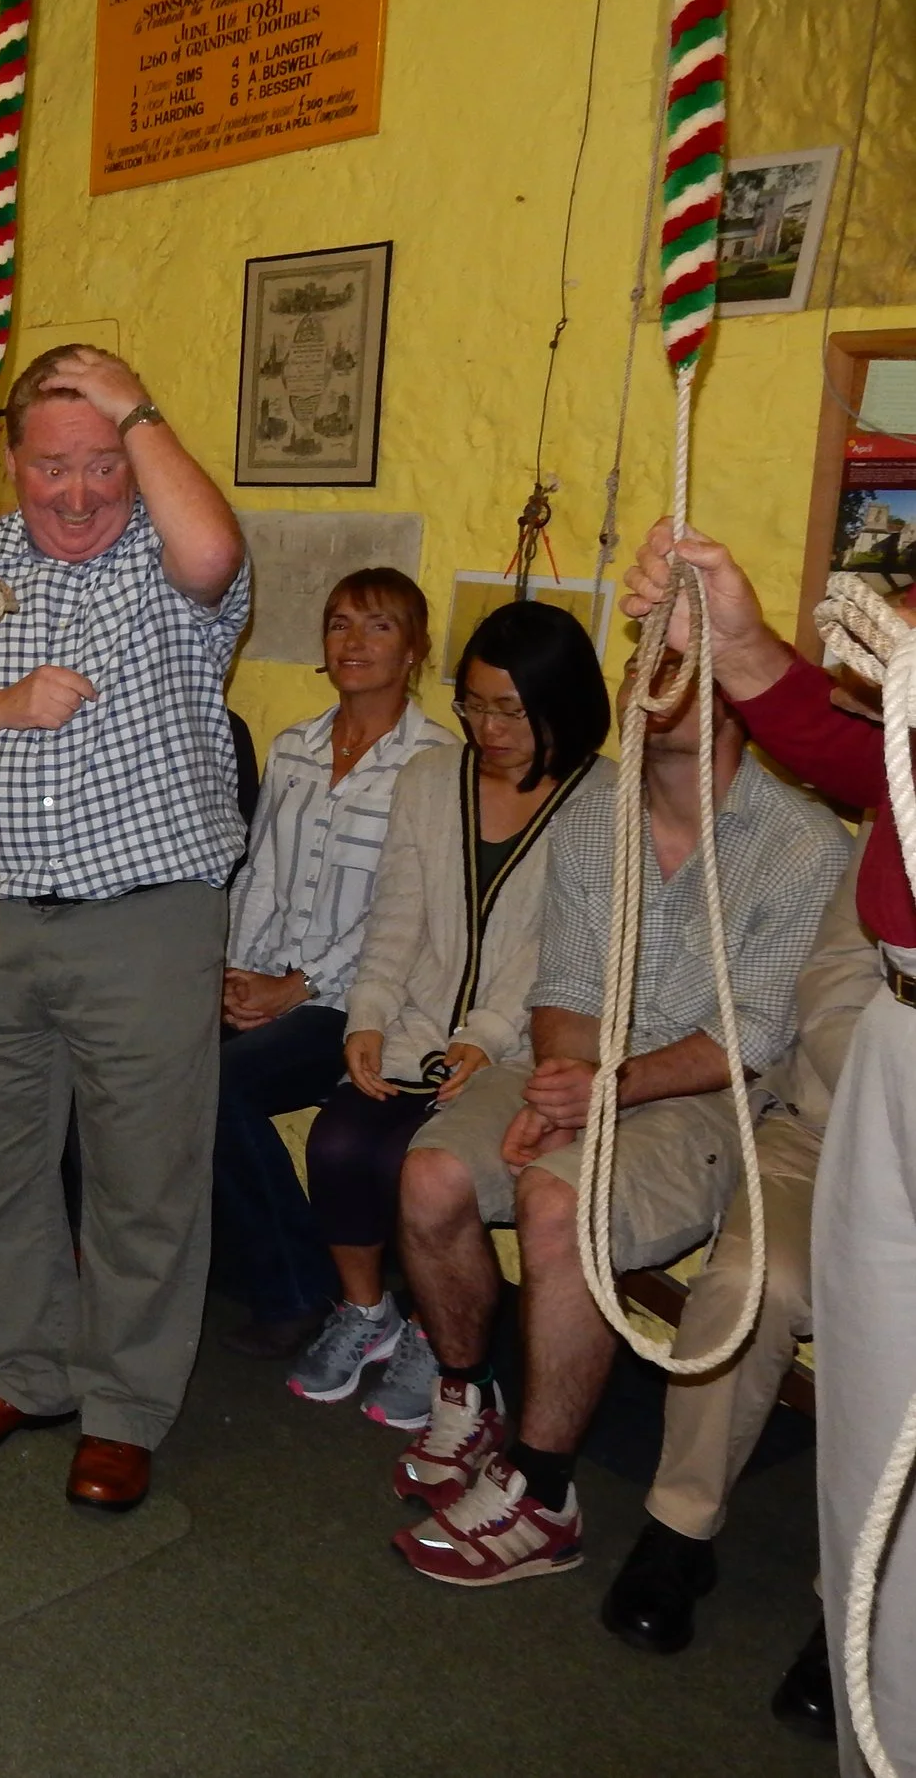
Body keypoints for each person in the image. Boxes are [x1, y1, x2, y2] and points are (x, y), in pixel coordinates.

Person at [0, 342, 247, 1514]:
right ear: (12, 466)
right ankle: (23, 1372)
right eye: (51, 469)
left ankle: (124, 1408)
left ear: (133, 456)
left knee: (143, 1179)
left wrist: (136, 399)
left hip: (144, 919)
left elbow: (216, 549)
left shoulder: (165, 561)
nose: (78, 493)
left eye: (102, 463)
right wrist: (4, 705)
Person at [388, 642, 847, 1585]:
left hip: (706, 1099)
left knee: (562, 1205)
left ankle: (545, 1496)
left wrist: (608, 1093)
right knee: (430, 1175)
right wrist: (563, 1087)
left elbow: (748, 1037)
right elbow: (564, 982)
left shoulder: (804, 844)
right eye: (639, 669)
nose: (644, 686)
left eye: (673, 670)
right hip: (585, 1063)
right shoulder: (598, 813)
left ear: (729, 700)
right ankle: (467, 1392)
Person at [621, 520, 915, 1756]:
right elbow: (872, 766)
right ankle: (865, 1657)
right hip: (895, 1039)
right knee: (873, 1395)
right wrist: (740, 649)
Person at [288, 601, 609, 1422]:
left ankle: (442, 1332)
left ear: (562, 704)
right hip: (417, 1025)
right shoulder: (431, 779)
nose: (489, 727)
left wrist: (487, 1039)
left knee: (417, 1166)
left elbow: (566, 951)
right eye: (473, 704)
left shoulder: (604, 799)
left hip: (525, 1040)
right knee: (340, 1141)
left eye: (511, 709)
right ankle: (368, 1314)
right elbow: (396, 915)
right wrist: (367, 1015)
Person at [602, 836, 876, 1664]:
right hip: (835, 1127)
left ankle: (858, 1614)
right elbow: (832, 981)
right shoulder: (901, 814)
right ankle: (680, 1525)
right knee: (751, 1282)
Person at [209, 569, 453, 1356]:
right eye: (339, 623)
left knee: (220, 1084)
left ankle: (301, 1284)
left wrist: (296, 988)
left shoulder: (437, 765)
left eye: (378, 627)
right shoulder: (295, 748)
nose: (353, 642)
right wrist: (235, 975)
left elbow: (406, 912)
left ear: (413, 650)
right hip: (270, 980)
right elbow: (262, 874)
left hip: (360, 1002)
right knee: (146, 1056)